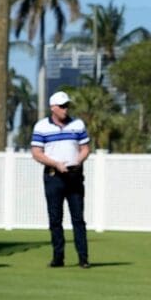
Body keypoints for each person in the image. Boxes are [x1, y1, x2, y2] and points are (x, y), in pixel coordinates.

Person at [30, 90, 91, 268]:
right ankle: (58, 257)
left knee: (78, 218)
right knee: (55, 219)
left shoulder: (77, 124)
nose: (65, 109)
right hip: (53, 176)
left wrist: (78, 161)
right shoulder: (42, 127)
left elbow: (85, 148)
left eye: (67, 106)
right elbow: (36, 153)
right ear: (53, 108)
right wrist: (56, 164)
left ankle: (83, 258)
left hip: (74, 175)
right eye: (62, 106)